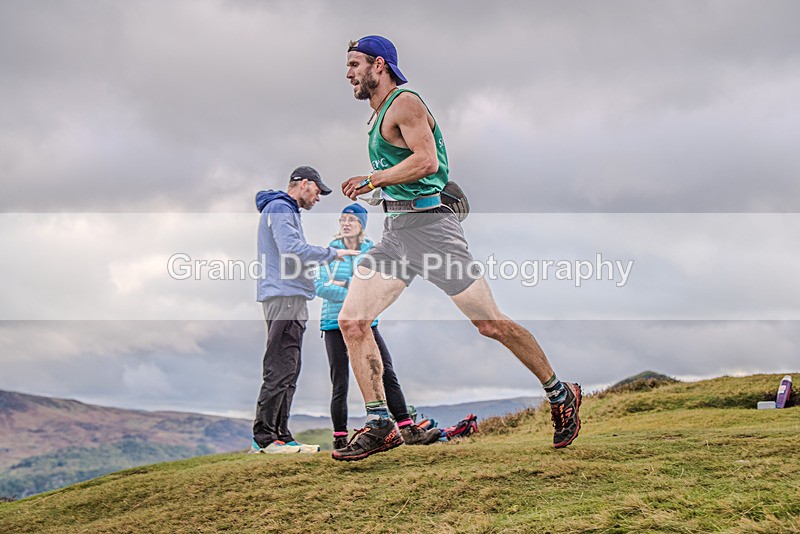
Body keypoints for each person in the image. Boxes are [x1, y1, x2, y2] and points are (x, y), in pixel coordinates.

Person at [333, 36, 582, 461]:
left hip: (433, 230)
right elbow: (408, 172)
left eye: (354, 64)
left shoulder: (404, 101)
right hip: (398, 233)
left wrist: (373, 181)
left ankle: (560, 394)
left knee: (490, 325)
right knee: (353, 321)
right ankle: (380, 423)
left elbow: (427, 161)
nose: (348, 73)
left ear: (379, 65)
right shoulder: (377, 117)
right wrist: (382, 193)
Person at [249, 166, 357, 454]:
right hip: (284, 297)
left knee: (290, 368)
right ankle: (265, 439)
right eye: (318, 191)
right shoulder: (281, 208)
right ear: (304, 184)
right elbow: (293, 249)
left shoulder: (286, 211)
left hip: (292, 296)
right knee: (280, 366)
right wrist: (333, 253)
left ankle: (281, 435)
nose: (318, 198)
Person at [315, 203, 441, 451]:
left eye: (351, 219)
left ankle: (407, 429)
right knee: (340, 382)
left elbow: (372, 285)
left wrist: (344, 288)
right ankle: (340, 438)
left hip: (366, 323)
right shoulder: (329, 253)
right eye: (342, 219)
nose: (345, 223)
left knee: (386, 373)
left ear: (361, 224)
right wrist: (352, 292)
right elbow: (319, 286)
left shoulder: (371, 251)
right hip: (332, 324)